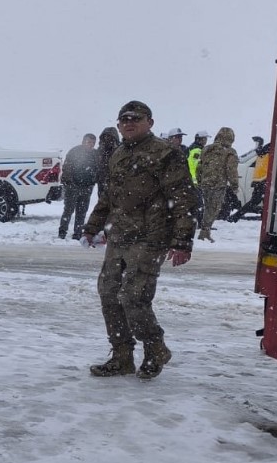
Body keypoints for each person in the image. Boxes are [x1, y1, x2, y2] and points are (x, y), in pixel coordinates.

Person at [81, 101, 196, 381]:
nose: (129, 123)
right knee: (109, 295)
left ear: (150, 123)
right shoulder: (118, 154)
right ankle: (122, 357)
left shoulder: (165, 154)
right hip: (120, 236)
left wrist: (182, 241)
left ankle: (155, 348)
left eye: (136, 118)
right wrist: (92, 227)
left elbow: (182, 199)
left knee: (133, 297)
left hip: (150, 238)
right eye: (124, 119)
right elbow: (108, 197)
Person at [195, 127, 239, 241]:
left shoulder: (207, 149)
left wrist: (200, 180)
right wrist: (234, 185)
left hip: (205, 182)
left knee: (207, 208)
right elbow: (231, 169)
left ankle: (205, 231)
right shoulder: (230, 152)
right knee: (214, 209)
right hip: (218, 184)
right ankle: (205, 231)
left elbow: (199, 166)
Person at [58, 132, 99, 240]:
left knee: (82, 212)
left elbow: (98, 168)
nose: (91, 144)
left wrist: (93, 181)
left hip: (87, 187)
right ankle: (62, 232)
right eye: (89, 142)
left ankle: (77, 234)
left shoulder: (95, 154)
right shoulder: (74, 152)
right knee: (68, 210)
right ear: (83, 141)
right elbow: (66, 168)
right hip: (73, 187)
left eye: (93, 143)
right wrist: (70, 183)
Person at [228, 136, 270, 222]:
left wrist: (259, 145)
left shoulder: (266, 149)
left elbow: (259, 152)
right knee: (259, 201)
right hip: (263, 180)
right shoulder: (271, 149)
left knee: (258, 201)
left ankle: (236, 216)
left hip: (259, 180)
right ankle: (235, 217)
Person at [96, 126, 120, 200]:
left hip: (116, 183)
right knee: (102, 203)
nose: (107, 138)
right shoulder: (99, 150)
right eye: (105, 136)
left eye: (109, 136)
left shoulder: (121, 149)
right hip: (102, 182)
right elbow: (95, 165)